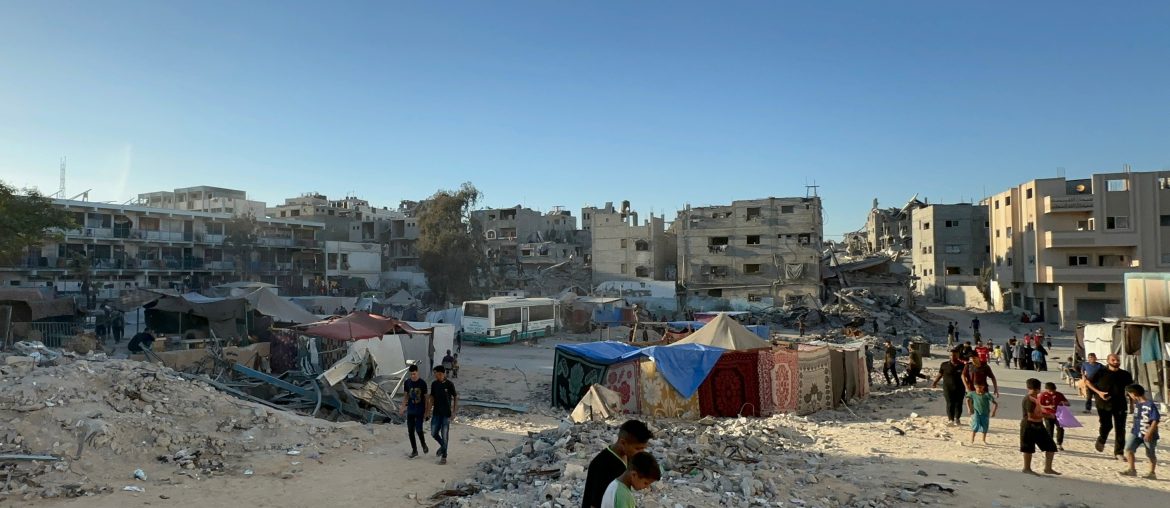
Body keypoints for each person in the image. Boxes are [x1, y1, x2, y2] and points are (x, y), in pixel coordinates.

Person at [582, 420, 654, 508]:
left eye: (643, 448)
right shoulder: (602, 465)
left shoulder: (629, 457)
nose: (641, 452)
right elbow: (595, 503)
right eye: (638, 448)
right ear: (623, 443)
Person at [1086, 353, 1135, 459]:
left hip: (1120, 403)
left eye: (1117, 360)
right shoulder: (1100, 372)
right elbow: (1088, 382)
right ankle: (1102, 438)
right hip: (1103, 404)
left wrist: (1132, 404)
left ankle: (1119, 452)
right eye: (1113, 360)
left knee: (1120, 428)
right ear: (1108, 361)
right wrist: (1099, 392)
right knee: (1107, 425)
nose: (1116, 362)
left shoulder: (1125, 374)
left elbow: (1131, 389)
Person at [1021, 378, 1061, 476]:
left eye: (1036, 390)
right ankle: (1026, 468)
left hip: (1039, 425)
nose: (1034, 392)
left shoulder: (1037, 398)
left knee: (1051, 447)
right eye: (1033, 390)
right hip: (1028, 425)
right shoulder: (1028, 400)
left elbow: (1039, 409)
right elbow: (1030, 416)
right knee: (1028, 448)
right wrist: (1046, 416)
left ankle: (1048, 468)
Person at [1120, 384, 1160, 480]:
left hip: (1148, 433)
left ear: (1134, 394)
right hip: (1136, 432)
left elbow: (1156, 420)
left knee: (1150, 453)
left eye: (1129, 394)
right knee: (1128, 448)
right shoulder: (1137, 404)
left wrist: (1149, 432)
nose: (1129, 396)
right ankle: (1131, 469)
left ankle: (1152, 472)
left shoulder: (1150, 405)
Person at [427, 365, 457, 464]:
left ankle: (444, 456)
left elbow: (455, 397)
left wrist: (454, 411)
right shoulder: (434, 384)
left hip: (446, 414)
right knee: (433, 433)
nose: (435, 375)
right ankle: (443, 446)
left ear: (441, 373)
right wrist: (428, 411)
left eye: (435, 373)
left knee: (445, 435)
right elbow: (432, 398)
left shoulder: (449, 384)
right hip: (436, 413)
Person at [400, 364, 429, 458]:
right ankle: (414, 450)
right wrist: (402, 407)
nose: (413, 376)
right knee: (410, 430)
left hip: (420, 410)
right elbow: (406, 396)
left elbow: (426, 398)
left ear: (417, 372)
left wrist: (427, 412)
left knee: (419, 429)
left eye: (414, 374)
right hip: (411, 410)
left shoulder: (422, 383)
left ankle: (423, 444)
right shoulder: (407, 383)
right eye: (411, 374)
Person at [932, 349, 967, 425]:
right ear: (949, 356)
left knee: (959, 404)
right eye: (951, 355)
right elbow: (940, 374)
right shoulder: (944, 365)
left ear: (958, 355)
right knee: (950, 403)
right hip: (948, 388)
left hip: (960, 388)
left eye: (955, 355)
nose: (953, 356)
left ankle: (957, 418)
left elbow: (967, 377)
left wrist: (970, 387)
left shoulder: (963, 365)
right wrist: (935, 382)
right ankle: (950, 419)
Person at [1039, 382, 1071, 451]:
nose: (1052, 392)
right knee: (1049, 429)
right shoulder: (1042, 395)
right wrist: (1048, 406)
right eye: (1050, 391)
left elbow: (1068, 403)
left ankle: (1059, 444)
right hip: (1048, 415)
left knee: (1060, 428)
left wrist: (1062, 403)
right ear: (1046, 390)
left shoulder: (1059, 394)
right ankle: (1049, 444)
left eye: (1053, 390)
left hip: (1059, 414)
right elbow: (1039, 405)